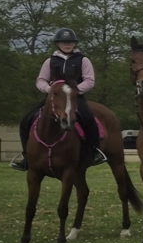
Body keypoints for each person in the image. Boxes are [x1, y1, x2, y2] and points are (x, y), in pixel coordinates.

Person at [9, 28, 107, 170]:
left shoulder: (83, 60)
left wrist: (73, 92)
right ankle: (27, 156)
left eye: (70, 42)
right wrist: (49, 90)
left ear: (74, 43)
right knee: (25, 120)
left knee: (88, 119)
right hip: (54, 98)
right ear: (57, 43)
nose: (67, 44)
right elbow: (41, 80)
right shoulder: (50, 61)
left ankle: (94, 151)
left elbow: (89, 80)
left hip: (75, 98)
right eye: (64, 42)